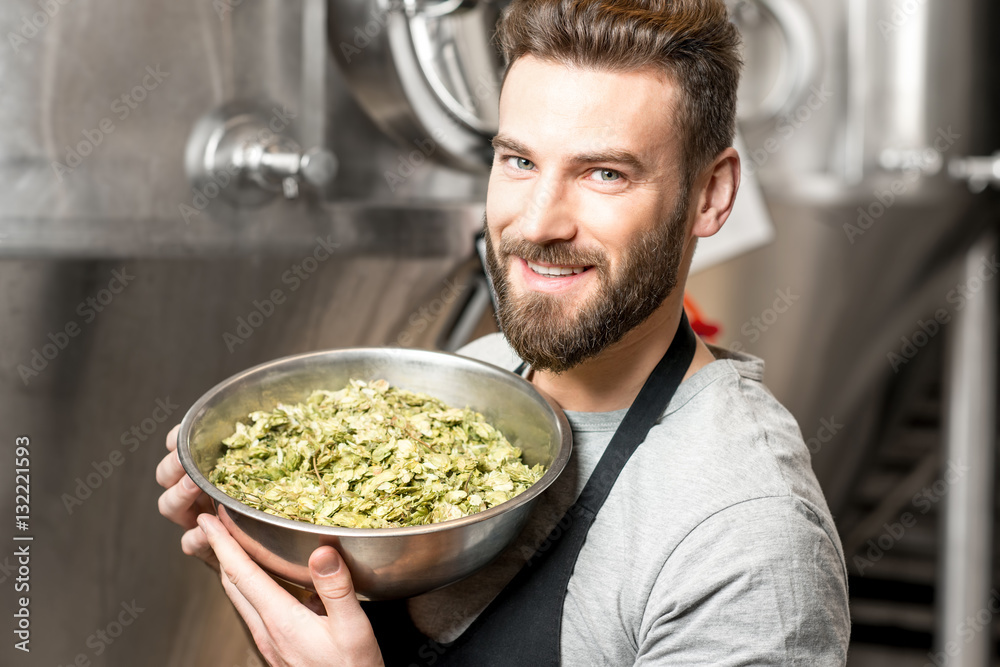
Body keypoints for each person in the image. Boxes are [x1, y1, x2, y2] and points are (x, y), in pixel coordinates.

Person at [157, 0, 851, 664]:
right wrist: (278, 557)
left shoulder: (747, 535)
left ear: (711, 195)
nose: (538, 222)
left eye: (604, 173)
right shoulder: (474, 385)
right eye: (519, 161)